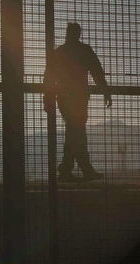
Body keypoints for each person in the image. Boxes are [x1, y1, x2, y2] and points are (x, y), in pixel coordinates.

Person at [44, 22, 111, 182]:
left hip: (65, 98)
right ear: (78, 34)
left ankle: (67, 169)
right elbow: (97, 71)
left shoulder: (59, 52)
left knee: (74, 130)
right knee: (77, 131)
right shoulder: (84, 51)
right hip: (79, 98)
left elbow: (48, 78)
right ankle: (82, 169)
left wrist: (48, 100)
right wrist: (105, 91)